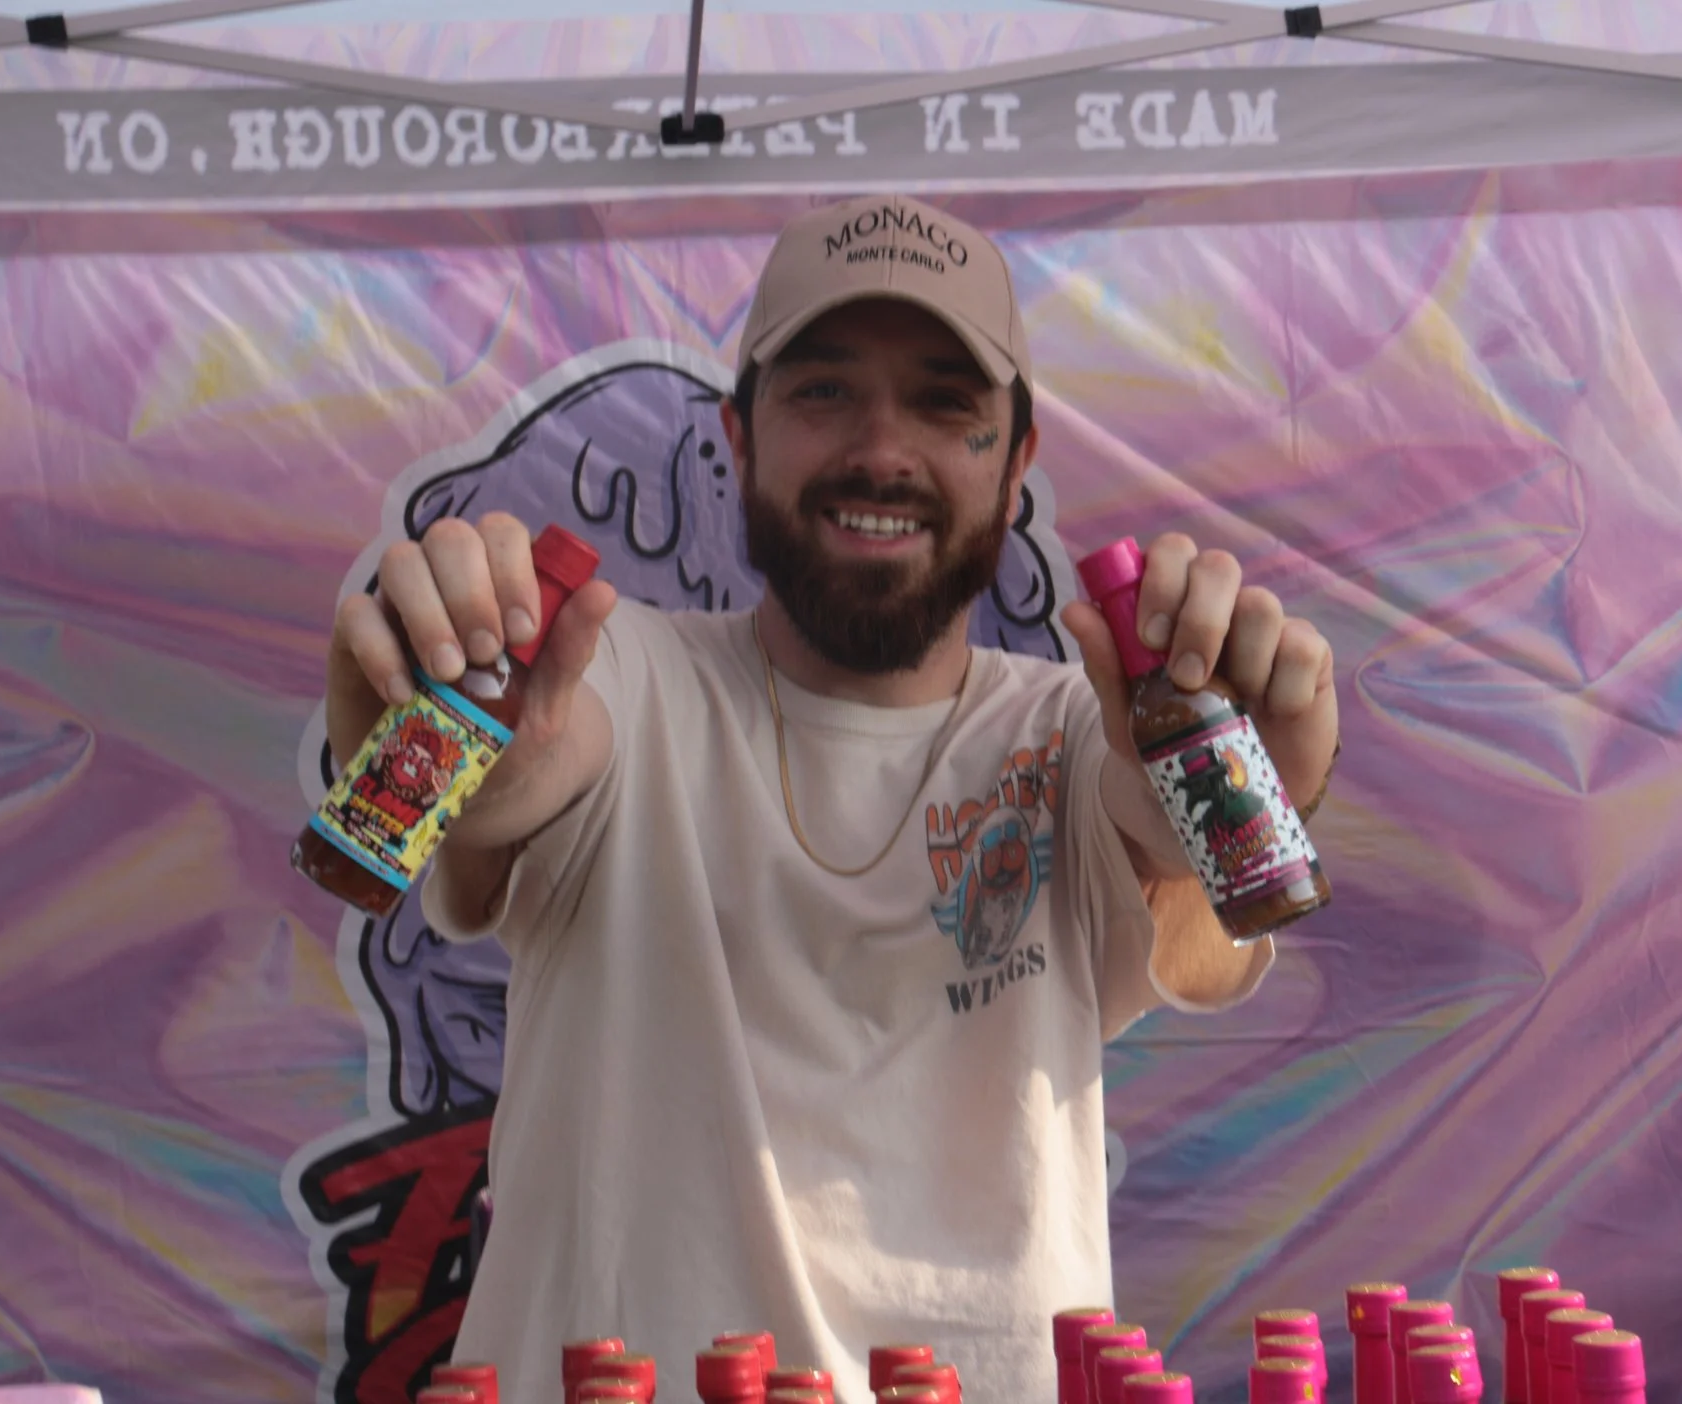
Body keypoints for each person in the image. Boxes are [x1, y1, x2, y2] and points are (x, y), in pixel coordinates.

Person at [321, 193, 1340, 1404]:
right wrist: (432, 705)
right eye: (820, 392)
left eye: (945, 404)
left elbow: (1178, 893)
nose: (881, 449)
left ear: (1016, 465)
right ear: (736, 440)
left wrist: (1248, 781)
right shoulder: (628, 677)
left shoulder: (1073, 734)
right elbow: (521, 777)